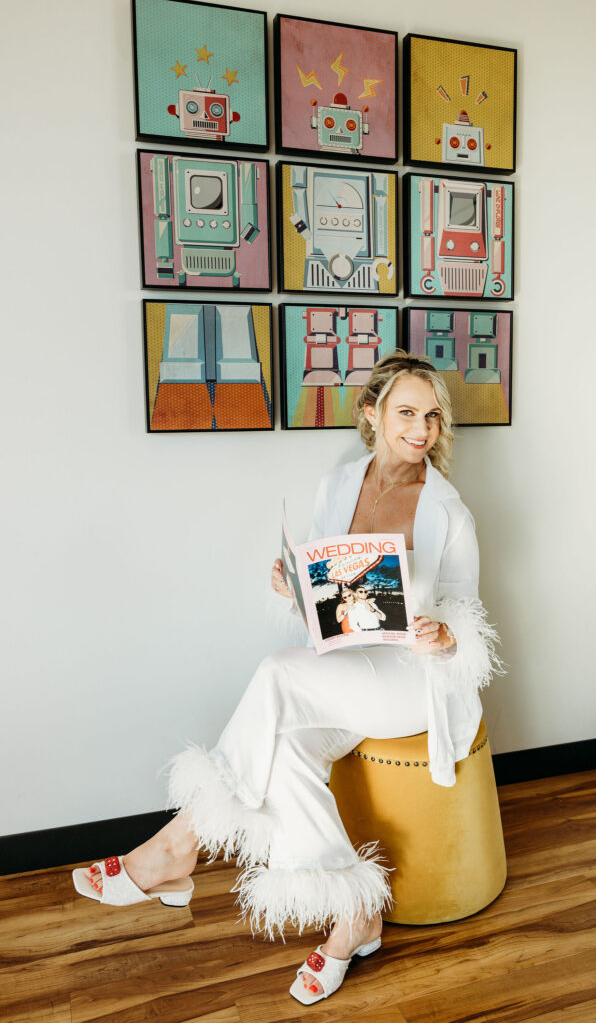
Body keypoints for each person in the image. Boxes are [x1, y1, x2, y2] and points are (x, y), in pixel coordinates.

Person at [71, 351, 501, 1005]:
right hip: (341, 669)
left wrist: (444, 635)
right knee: (284, 754)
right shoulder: (340, 486)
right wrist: (293, 585)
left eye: (432, 417)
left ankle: (176, 847)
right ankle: (356, 914)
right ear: (371, 413)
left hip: (411, 682)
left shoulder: (448, 513)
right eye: (407, 412)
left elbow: (469, 621)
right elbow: (330, 591)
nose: (421, 429)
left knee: (275, 674)